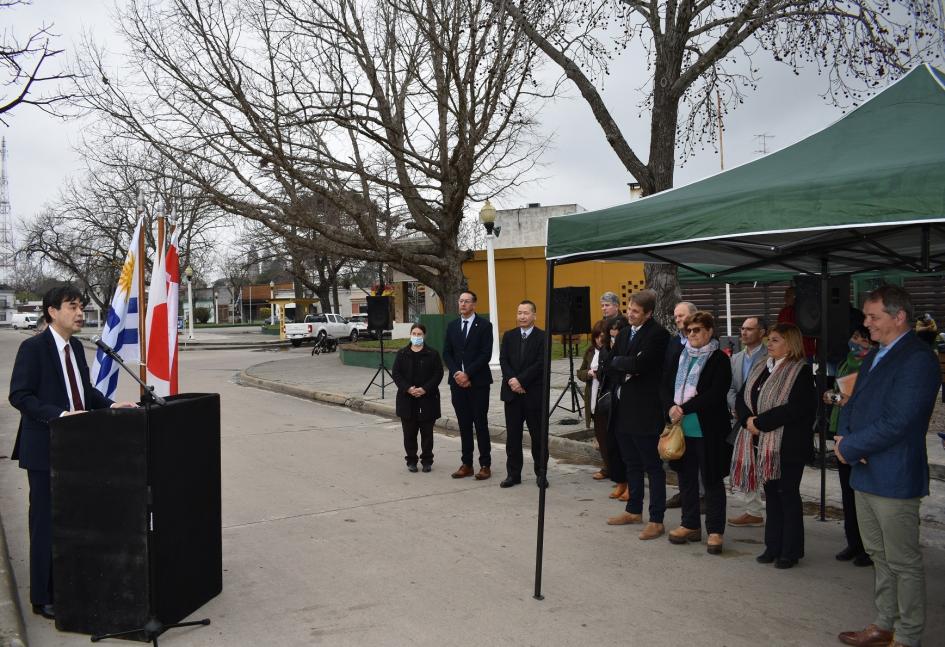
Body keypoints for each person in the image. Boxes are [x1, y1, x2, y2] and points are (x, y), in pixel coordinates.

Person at [8, 286, 137, 620]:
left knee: (77, 519)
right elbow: (20, 395)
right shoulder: (33, 348)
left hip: (78, 446)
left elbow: (83, 391)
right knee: (46, 522)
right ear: (52, 311)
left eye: (81, 307)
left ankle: (74, 582)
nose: (80, 313)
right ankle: (43, 595)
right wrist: (60, 416)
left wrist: (111, 405)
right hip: (44, 447)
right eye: (72, 306)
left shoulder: (77, 347)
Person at [836, 286, 940, 647]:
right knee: (879, 555)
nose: (866, 324)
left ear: (899, 317)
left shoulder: (918, 359)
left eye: (873, 316)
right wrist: (844, 438)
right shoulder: (876, 355)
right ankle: (884, 623)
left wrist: (853, 445)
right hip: (865, 470)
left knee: (903, 561)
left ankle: (908, 636)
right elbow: (851, 402)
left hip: (894, 474)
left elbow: (902, 420)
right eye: (866, 316)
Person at [733, 322, 816, 570]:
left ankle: (790, 551)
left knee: (787, 495)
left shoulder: (799, 372)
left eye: (776, 340)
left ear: (790, 345)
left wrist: (760, 422)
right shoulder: (762, 367)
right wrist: (748, 419)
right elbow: (743, 396)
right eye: (769, 339)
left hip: (787, 445)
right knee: (771, 495)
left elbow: (795, 409)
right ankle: (772, 546)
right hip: (761, 442)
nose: (769, 344)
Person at [662, 311, 733, 554]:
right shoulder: (680, 355)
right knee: (686, 479)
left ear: (709, 331)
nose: (692, 334)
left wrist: (684, 408)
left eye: (697, 330)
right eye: (688, 330)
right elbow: (665, 385)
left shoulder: (719, 359)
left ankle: (715, 530)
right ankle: (690, 524)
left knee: (712, 480)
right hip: (682, 429)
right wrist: (670, 407)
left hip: (708, 429)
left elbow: (715, 394)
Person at [605, 289, 670, 541]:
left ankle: (656, 519)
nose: (630, 315)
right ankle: (633, 510)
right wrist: (626, 363)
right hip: (622, 410)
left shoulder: (658, 335)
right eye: (629, 309)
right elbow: (610, 363)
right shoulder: (623, 333)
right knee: (630, 462)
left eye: (635, 312)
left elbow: (643, 365)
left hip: (645, 411)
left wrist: (626, 363)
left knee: (652, 467)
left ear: (649, 313)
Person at [823, 325, 874, 567]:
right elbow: (838, 394)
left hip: (858, 432)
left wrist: (833, 398)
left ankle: (867, 547)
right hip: (840, 429)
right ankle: (853, 542)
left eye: (860, 338)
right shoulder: (847, 362)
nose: (855, 342)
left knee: (861, 494)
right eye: (853, 337)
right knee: (847, 492)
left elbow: (851, 400)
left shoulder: (870, 365)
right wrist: (832, 397)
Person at [442, 290, 494, 480]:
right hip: (457, 383)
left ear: (474, 304)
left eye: (467, 301)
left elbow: (485, 354)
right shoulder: (452, 326)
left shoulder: (485, 326)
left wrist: (468, 374)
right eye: (460, 301)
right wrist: (457, 373)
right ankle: (467, 463)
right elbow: (447, 353)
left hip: (478, 382)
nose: (463, 304)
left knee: (480, 423)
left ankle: (485, 465)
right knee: (464, 425)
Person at [498, 300, 547, 488]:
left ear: (534, 315)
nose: (522, 316)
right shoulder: (509, 336)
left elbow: (540, 363)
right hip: (512, 395)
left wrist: (521, 381)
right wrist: (512, 380)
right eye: (519, 313)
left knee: (538, 437)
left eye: (526, 313)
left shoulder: (542, 337)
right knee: (513, 437)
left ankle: (541, 473)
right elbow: (503, 360)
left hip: (533, 394)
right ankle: (513, 474)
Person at [727, 316, 768, 528]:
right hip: (742, 419)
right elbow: (731, 388)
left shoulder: (770, 356)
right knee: (747, 462)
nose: (743, 333)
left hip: (764, 419)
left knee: (765, 462)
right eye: (742, 329)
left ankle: (769, 507)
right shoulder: (736, 358)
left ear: (762, 332)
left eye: (749, 329)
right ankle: (753, 510)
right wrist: (736, 407)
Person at [391, 323, 444, 473]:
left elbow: (438, 374)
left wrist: (424, 389)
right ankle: (411, 460)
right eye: (414, 334)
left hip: (428, 399)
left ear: (424, 336)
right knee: (409, 433)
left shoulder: (432, 354)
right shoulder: (402, 354)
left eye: (419, 334)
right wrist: (408, 388)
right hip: (407, 399)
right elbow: (396, 374)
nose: (416, 337)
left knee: (427, 433)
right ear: (410, 335)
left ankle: (427, 460)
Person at [664, 301, 697, 509]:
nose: (678, 319)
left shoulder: (705, 342)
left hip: (694, 409)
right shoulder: (675, 342)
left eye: (681, 315)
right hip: (675, 408)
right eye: (676, 316)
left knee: (697, 459)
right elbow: (667, 375)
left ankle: (700, 495)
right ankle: (684, 493)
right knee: (679, 456)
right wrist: (669, 405)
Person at [578, 320, 610, 480]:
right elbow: (580, 372)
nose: (599, 340)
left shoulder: (611, 351)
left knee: (610, 435)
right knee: (600, 435)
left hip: (606, 397)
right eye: (596, 337)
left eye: (602, 337)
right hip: (593, 396)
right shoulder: (590, 351)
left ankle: (614, 468)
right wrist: (588, 374)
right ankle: (606, 466)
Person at [602, 316, 630, 501]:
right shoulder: (605, 350)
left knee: (627, 446)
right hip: (610, 400)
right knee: (612, 444)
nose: (614, 336)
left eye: (617, 331)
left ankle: (631, 484)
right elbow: (604, 371)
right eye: (611, 333)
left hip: (627, 401)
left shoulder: (628, 348)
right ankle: (620, 481)